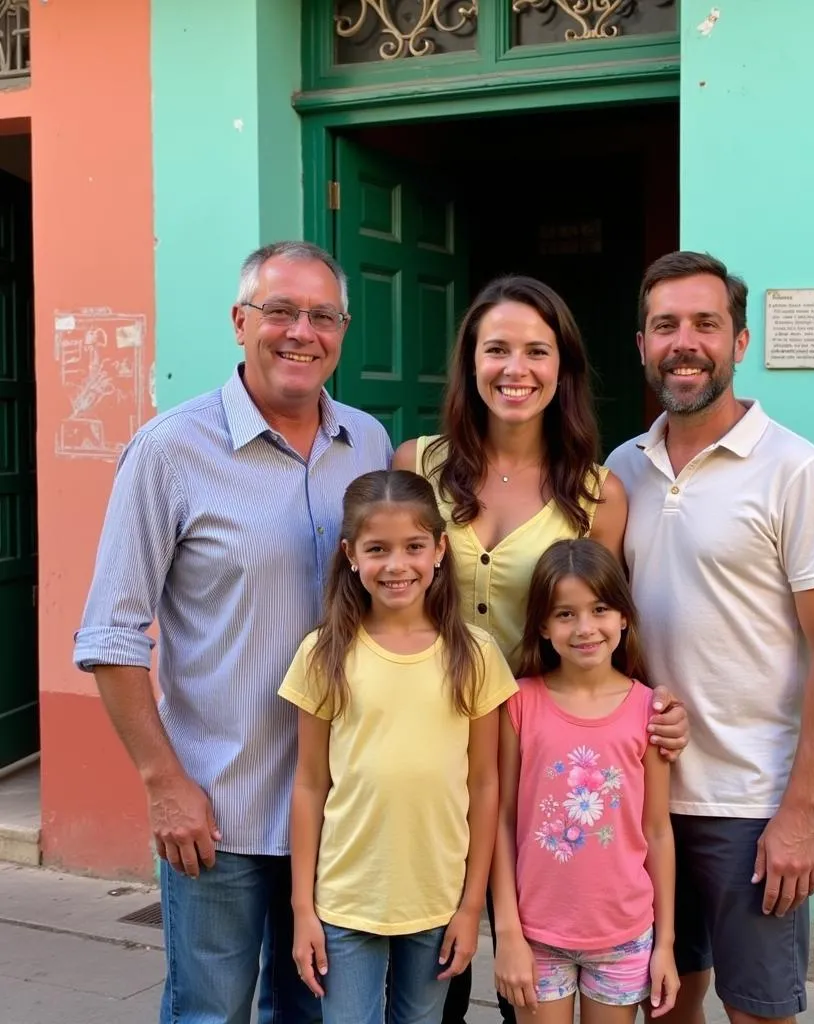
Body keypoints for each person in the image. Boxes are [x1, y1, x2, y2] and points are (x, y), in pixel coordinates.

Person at [72, 241, 392, 1024]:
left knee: (316, 1014)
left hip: (343, 810)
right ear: (240, 321)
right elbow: (110, 636)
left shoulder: (370, 445)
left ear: (342, 331)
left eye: (322, 315)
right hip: (222, 811)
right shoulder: (170, 451)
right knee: (210, 1013)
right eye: (280, 310)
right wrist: (163, 783)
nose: (300, 332)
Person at [393, 275, 690, 1024]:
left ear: (564, 369)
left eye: (536, 350)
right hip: (423, 753)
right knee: (427, 982)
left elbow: (600, 627)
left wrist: (655, 712)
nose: (514, 368)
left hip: (534, 763)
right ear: (470, 362)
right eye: (496, 349)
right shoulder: (417, 467)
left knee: (530, 966)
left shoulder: (597, 494)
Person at [606, 251, 814, 1024]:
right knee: (664, 1002)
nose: (685, 342)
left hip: (751, 803)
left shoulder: (795, 470)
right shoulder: (624, 468)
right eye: (665, 326)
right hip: (644, 791)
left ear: (740, 342)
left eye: (706, 324)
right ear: (643, 344)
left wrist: (801, 811)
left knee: (758, 1009)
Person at [281, 470, 518, 1024]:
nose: (396, 566)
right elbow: (310, 783)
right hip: (347, 898)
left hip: (437, 900)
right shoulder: (325, 653)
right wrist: (302, 910)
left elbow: (484, 785)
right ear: (350, 554)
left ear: (439, 549)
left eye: (414, 547)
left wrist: (469, 908)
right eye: (377, 550)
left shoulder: (475, 654)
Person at [491, 539, 680, 1024]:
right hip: (538, 934)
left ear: (623, 617)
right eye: (565, 614)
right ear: (542, 625)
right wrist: (508, 932)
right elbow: (502, 819)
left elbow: (657, 830)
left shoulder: (648, 711)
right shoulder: (519, 703)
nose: (585, 628)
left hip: (624, 936)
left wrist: (665, 945)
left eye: (599, 609)